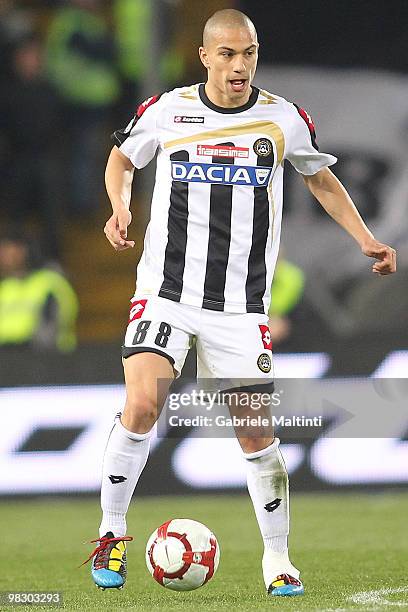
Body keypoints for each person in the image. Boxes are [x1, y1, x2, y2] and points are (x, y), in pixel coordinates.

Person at [83, 9, 396, 597]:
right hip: (166, 293)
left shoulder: (283, 118)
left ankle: (277, 560)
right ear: (205, 57)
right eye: (227, 54)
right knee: (144, 402)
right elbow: (123, 157)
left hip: (240, 306)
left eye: (248, 53)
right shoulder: (167, 111)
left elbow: (320, 178)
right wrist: (121, 205)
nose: (239, 65)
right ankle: (111, 533)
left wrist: (365, 239)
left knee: (255, 435)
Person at [0, 232, 78, 352]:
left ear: (25, 250)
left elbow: (53, 326)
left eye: (9, 249)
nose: (4, 256)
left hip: (45, 359)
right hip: (7, 359)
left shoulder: (50, 282)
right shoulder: (5, 287)